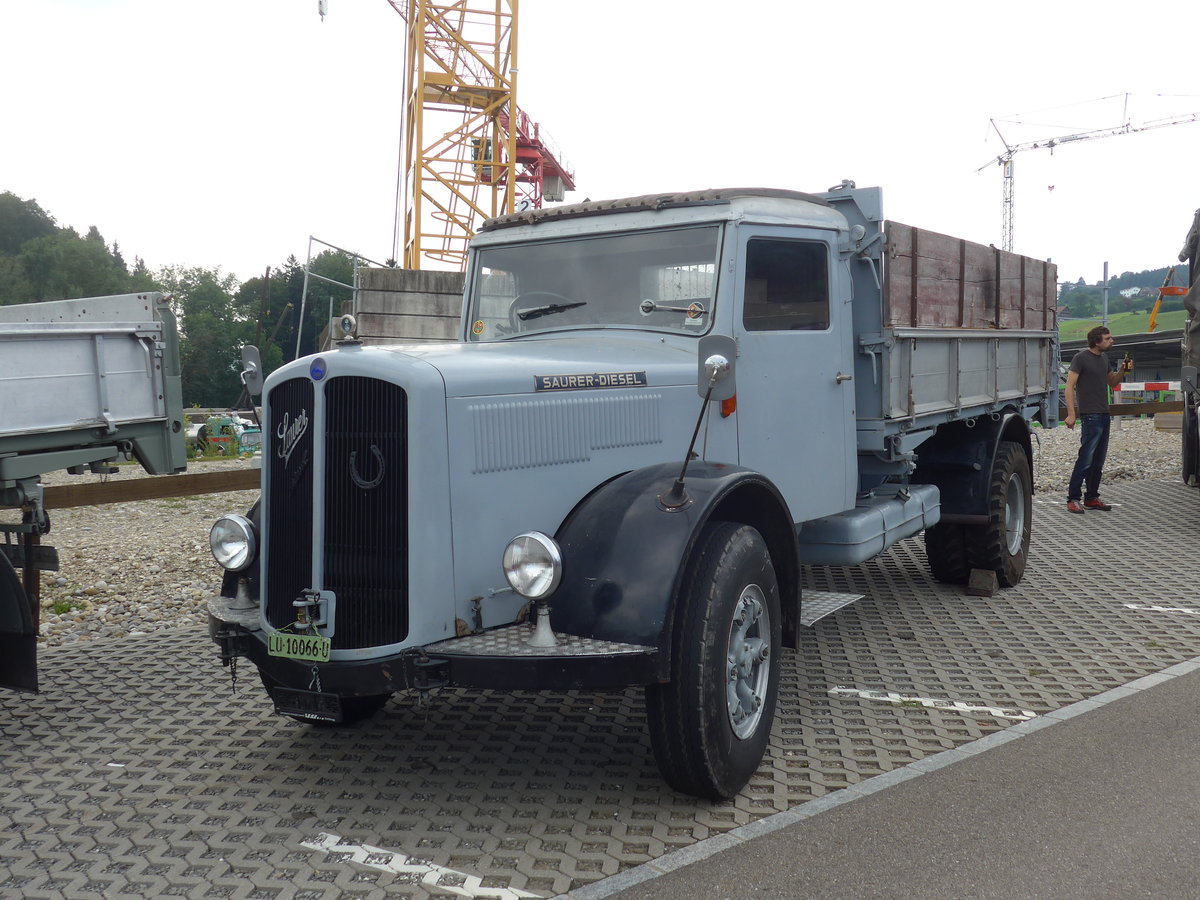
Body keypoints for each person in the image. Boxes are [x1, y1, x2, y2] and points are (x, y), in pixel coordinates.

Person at [1063, 325, 1130, 513]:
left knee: (1098, 460)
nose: (1112, 341)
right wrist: (1071, 414)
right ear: (1096, 341)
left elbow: (1112, 382)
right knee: (1086, 458)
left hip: (1104, 414)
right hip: (1090, 415)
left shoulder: (1104, 359)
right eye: (1108, 338)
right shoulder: (1080, 358)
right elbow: (1069, 386)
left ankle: (1092, 497)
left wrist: (1123, 370)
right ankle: (1073, 498)